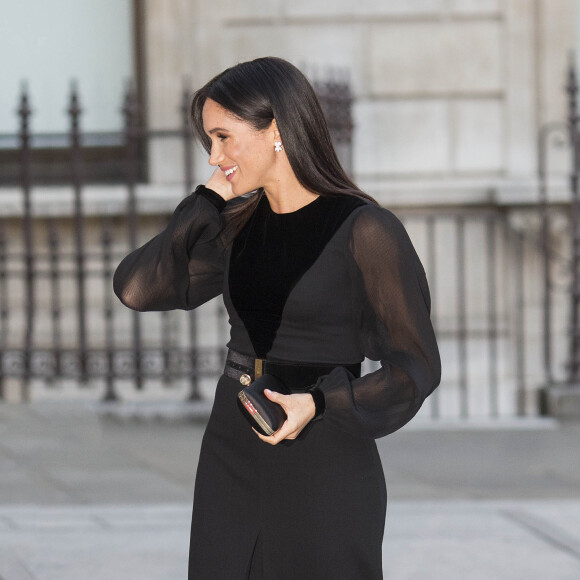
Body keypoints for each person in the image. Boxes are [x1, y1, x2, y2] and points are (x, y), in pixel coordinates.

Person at [113, 56, 441, 580]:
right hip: (234, 439)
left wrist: (318, 403)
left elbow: (415, 368)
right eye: (208, 141)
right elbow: (135, 288)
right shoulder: (238, 228)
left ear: (277, 131)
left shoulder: (366, 230)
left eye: (223, 137)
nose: (214, 156)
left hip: (323, 448)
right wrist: (203, 203)